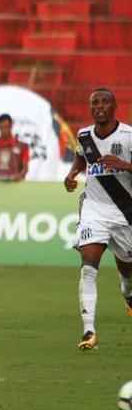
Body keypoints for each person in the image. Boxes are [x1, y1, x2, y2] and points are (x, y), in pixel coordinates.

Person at [63, 88, 132, 351]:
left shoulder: (128, 136)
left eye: (104, 102)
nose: (99, 107)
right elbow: (82, 157)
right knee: (88, 265)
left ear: (115, 106)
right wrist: (72, 174)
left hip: (125, 213)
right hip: (94, 210)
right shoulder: (84, 135)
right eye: (94, 103)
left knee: (128, 270)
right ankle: (88, 331)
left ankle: (128, 293)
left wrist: (124, 165)